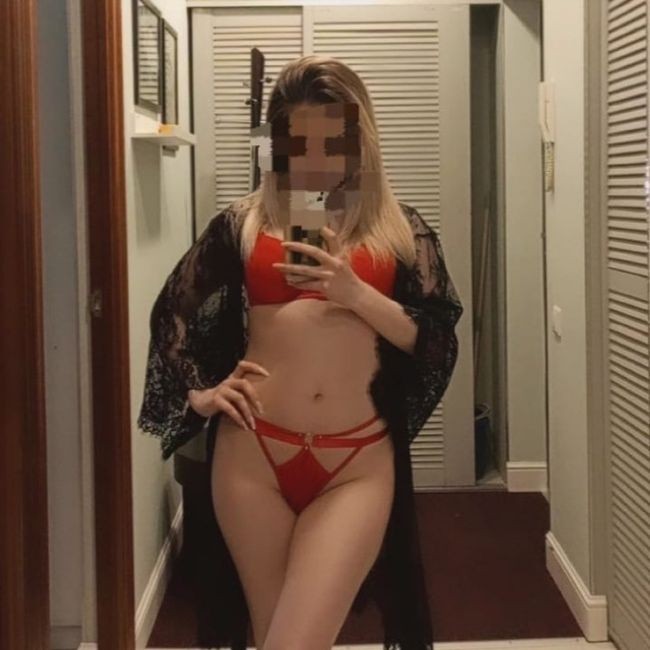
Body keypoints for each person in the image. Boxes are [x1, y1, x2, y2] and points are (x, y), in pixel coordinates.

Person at [137, 55, 464, 650]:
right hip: (253, 457)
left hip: (355, 463)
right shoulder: (242, 222)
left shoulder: (400, 230)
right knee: (276, 635)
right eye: (299, 141)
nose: (315, 158)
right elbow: (172, 313)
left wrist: (355, 293)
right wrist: (201, 393)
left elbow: (436, 339)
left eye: (331, 140)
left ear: (359, 138)